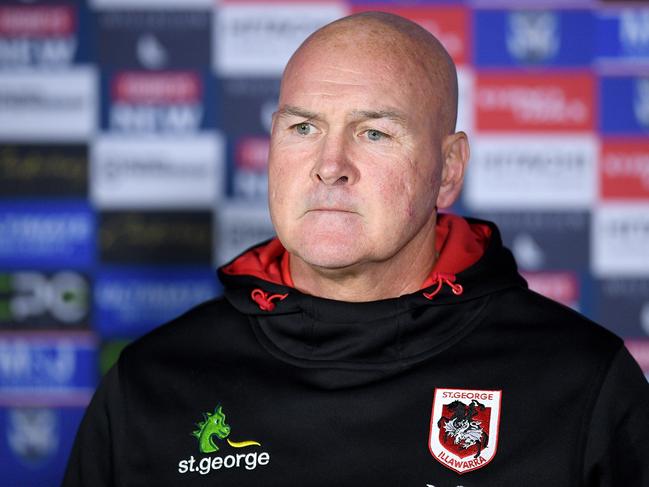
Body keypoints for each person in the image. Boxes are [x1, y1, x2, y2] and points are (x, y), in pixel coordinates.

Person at [63, 12, 649, 487]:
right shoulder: (152, 380)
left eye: (374, 132)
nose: (330, 167)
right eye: (303, 128)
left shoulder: (581, 381)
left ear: (447, 171)